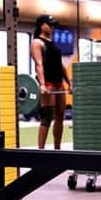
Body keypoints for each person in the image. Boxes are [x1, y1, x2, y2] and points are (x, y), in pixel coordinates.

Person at [31, 14, 71, 150]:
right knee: (47, 117)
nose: (52, 27)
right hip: (47, 83)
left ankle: (57, 149)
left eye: (53, 24)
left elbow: (60, 65)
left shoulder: (52, 43)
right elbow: (39, 64)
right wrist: (42, 84)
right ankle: (41, 151)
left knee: (60, 116)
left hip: (59, 83)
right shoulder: (37, 43)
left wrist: (69, 82)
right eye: (49, 24)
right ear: (41, 25)